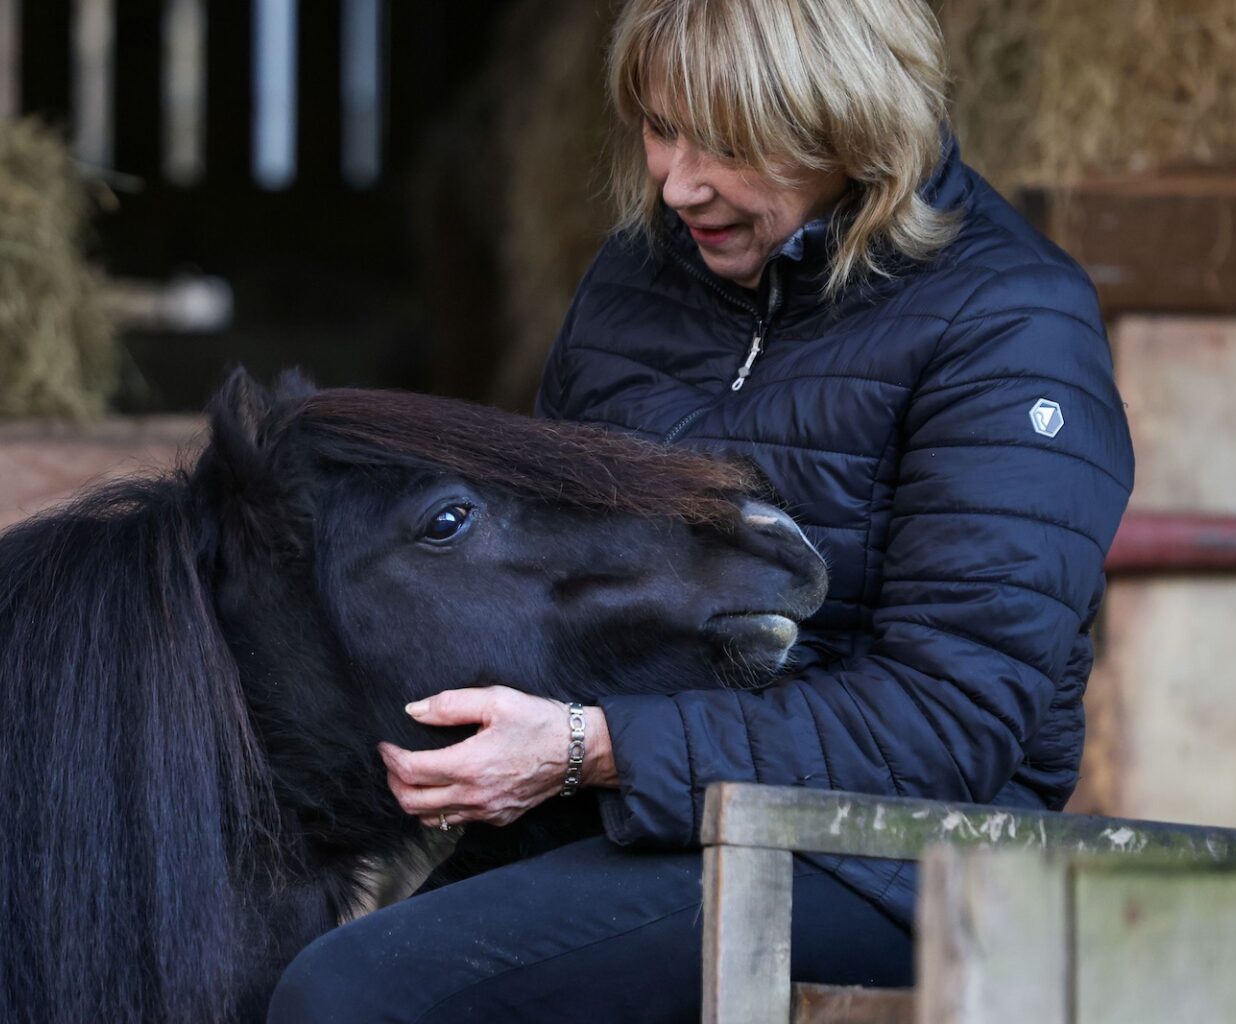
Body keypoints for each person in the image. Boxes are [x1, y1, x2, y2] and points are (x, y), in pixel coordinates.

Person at [269, 0, 1134, 1020]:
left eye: (726, 142)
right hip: (643, 815)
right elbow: (553, 585)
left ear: (846, 123)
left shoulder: (1012, 322)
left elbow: (947, 725)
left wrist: (588, 747)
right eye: (661, 126)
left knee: (356, 994)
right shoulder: (636, 283)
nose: (677, 181)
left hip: (899, 852)